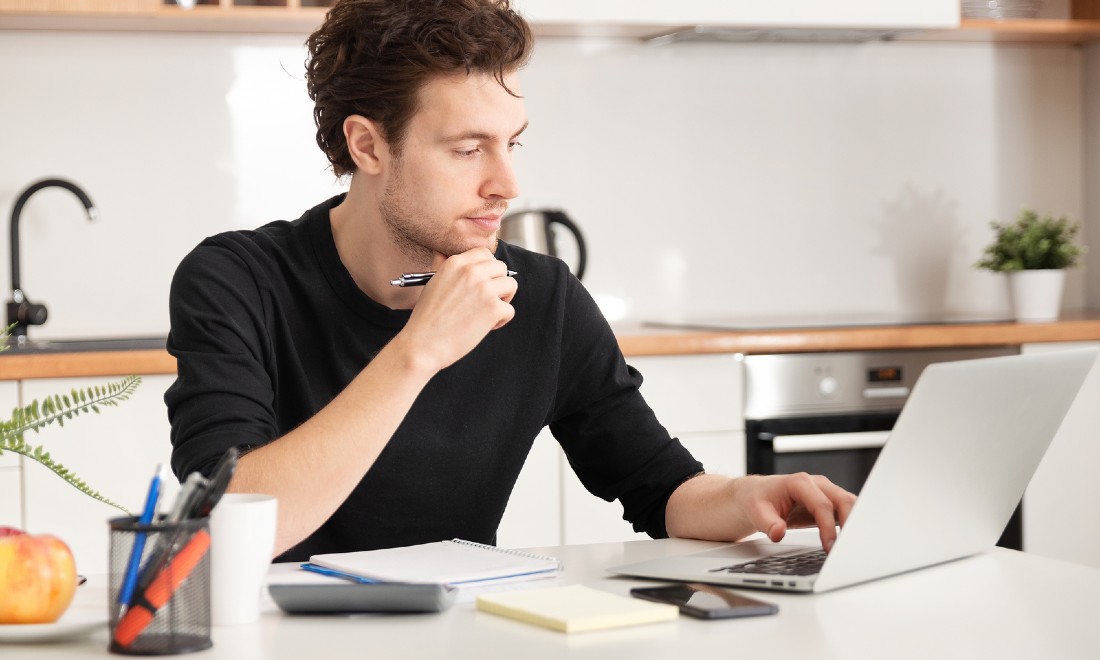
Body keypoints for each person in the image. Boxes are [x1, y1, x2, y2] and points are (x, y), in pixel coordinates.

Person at [166, 0, 856, 563]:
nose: (507, 185)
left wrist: (750, 497)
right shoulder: (237, 281)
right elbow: (228, 528)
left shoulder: (544, 296)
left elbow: (662, 487)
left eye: (511, 143)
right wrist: (418, 352)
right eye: (468, 149)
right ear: (368, 145)